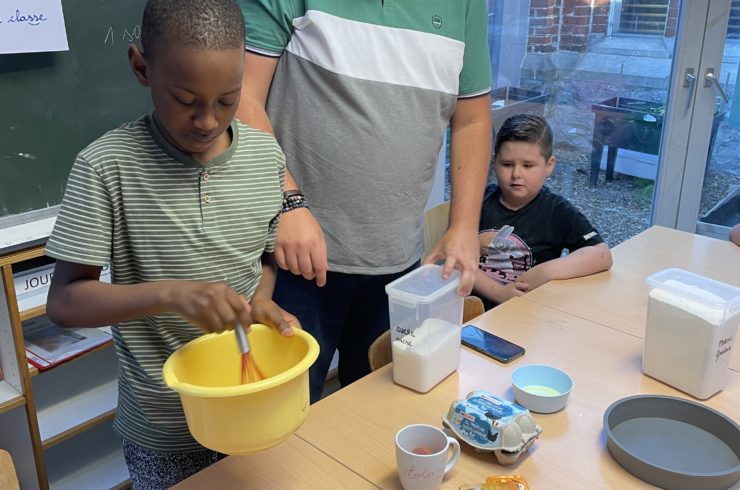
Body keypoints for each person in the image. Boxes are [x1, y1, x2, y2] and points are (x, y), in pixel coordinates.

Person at [44, 0, 298, 487]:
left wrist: (261, 302)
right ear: (142, 67)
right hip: (164, 430)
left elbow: (265, 257)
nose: (207, 121)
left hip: (251, 405)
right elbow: (65, 302)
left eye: (227, 100)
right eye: (185, 99)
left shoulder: (265, 156)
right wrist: (171, 293)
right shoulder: (106, 168)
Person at [237, 1, 493, 402]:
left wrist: (463, 225)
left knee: (380, 409)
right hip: (292, 260)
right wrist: (287, 200)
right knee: (283, 411)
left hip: (400, 266)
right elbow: (240, 97)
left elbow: (472, 119)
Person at [475, 114, 613, 308]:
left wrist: (545, 271)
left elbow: (601, 255)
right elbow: (456, 261)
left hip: (529, 313)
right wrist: (500, 293)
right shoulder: (477, 201)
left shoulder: (556, 211)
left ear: (549, 166)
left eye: (528, 165)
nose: (516, 174)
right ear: (494, 162)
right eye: (507, 164)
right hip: (471, 312)